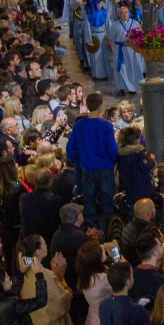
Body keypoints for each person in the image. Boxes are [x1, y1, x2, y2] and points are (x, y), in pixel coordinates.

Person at [66, 92, 118, 232]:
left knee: (89, 202)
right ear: (100, 106)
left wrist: (79, 162)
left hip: (87, 169)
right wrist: (113, 161)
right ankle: (109, 231)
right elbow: (112, 148)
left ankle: (90, 232)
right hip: (105, 169)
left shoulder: (79, 125)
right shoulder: (106, 125)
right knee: (107, 202)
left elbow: (70, 149)